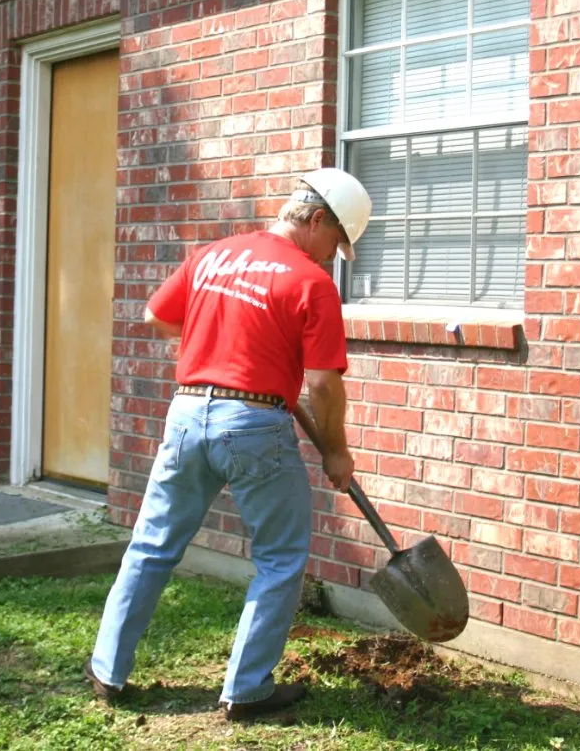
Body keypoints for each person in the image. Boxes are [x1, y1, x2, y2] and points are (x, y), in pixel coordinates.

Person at [84, 167, 372, 721]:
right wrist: (336, 449)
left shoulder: (214, 254)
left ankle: (106, 669)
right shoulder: (310, 283)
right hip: (255, 424)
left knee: (153, 544)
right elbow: (322, 383)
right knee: (281, 557)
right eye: (337, 242)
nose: (333, 256)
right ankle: (247, 689)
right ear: (316, 221)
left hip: (188, 412)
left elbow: (155, 316)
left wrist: (213, 340)